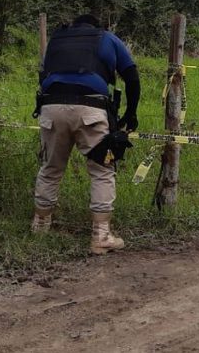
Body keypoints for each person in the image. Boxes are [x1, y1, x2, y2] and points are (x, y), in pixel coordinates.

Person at [31, 14, 140, 255]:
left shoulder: (56, 39)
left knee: (50, 168)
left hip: (51, 107)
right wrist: (130, 115)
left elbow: (45, 73)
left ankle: (40, 227)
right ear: (97, 26)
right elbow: (132, 77)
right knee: (102, 171)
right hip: (91, 108)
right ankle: (101, 236)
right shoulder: (107, 38)